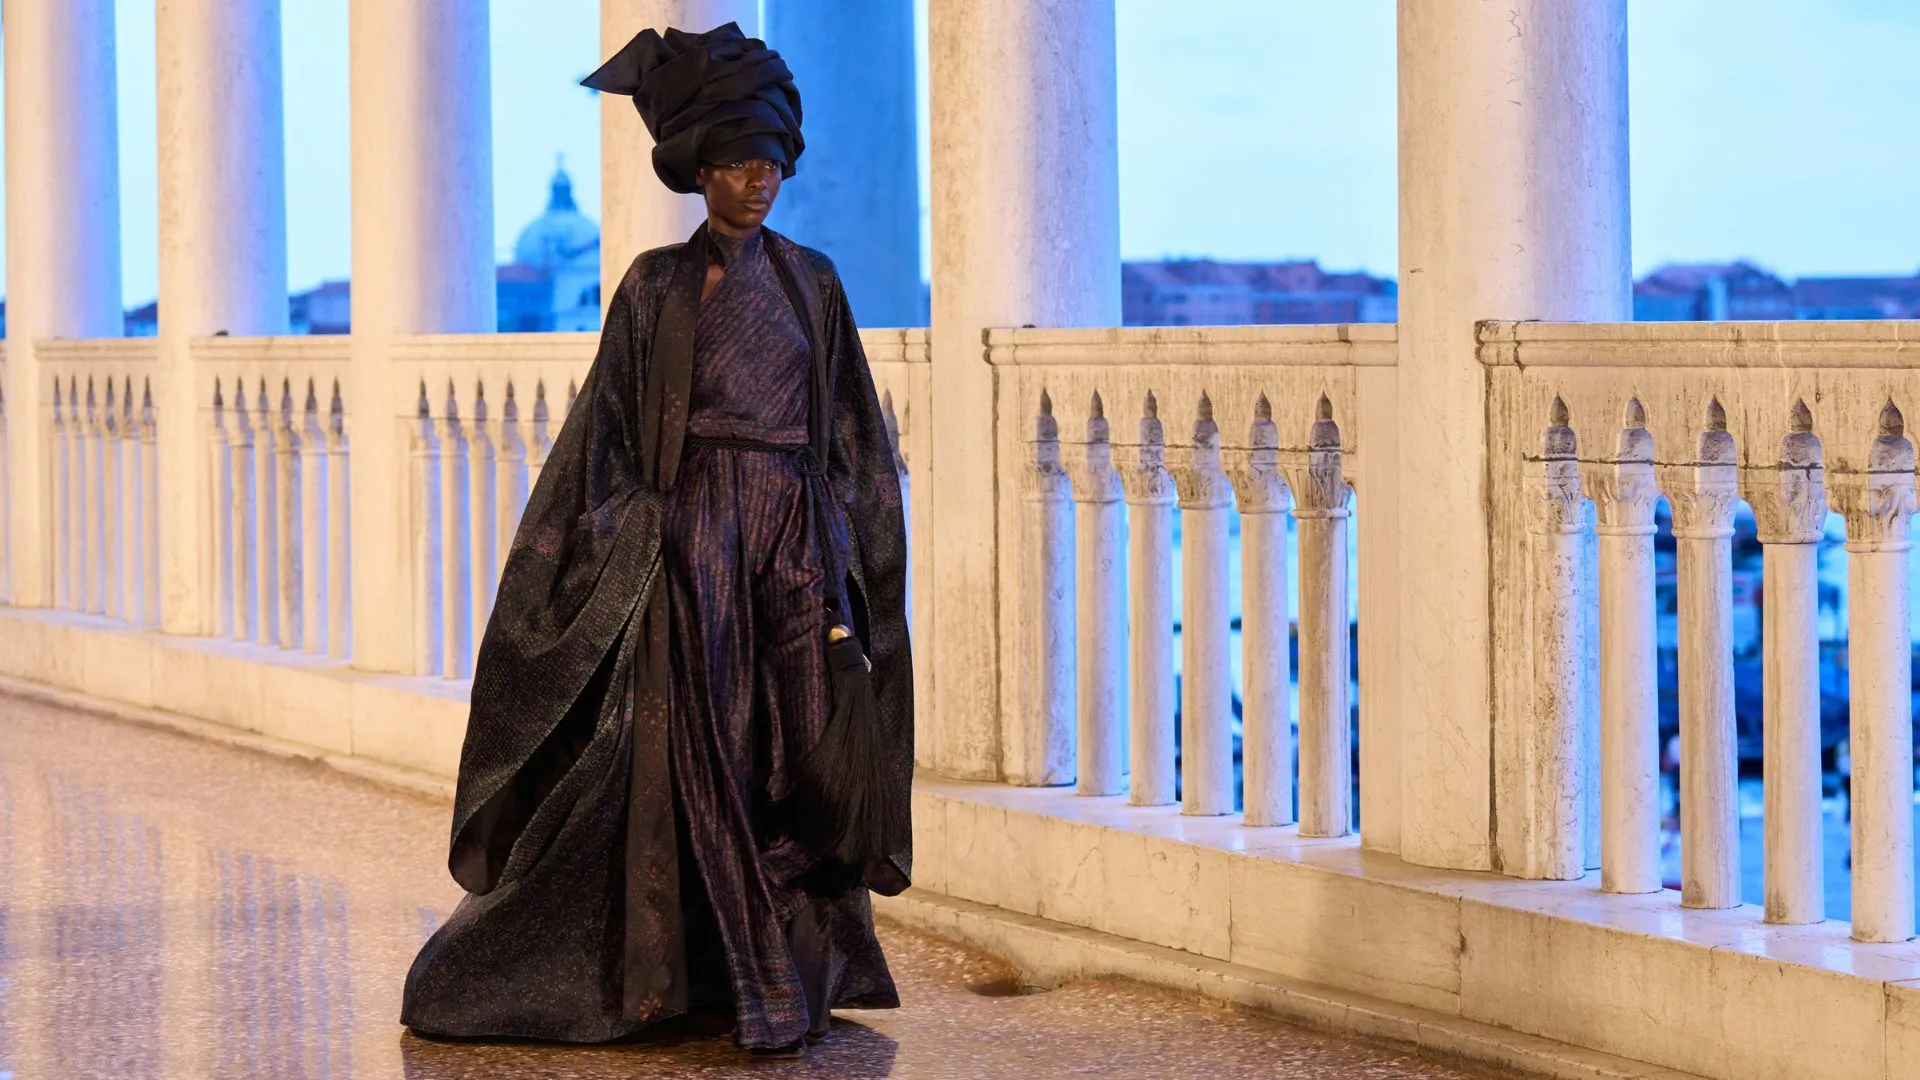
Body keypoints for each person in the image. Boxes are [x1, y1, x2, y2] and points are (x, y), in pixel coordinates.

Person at [400, 22, 914, 1058]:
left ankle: (783, 966)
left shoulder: (814, 285)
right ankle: (723, 982)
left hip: (795, 555)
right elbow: (606, 445)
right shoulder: (652, 289)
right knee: (700, 759)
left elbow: (854, 437)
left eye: (770, 163)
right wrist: (652, 538)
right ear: (698, 171)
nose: (758, 181)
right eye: (737, 163)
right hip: (691, 560)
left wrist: (851, 562)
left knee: (797, 760)